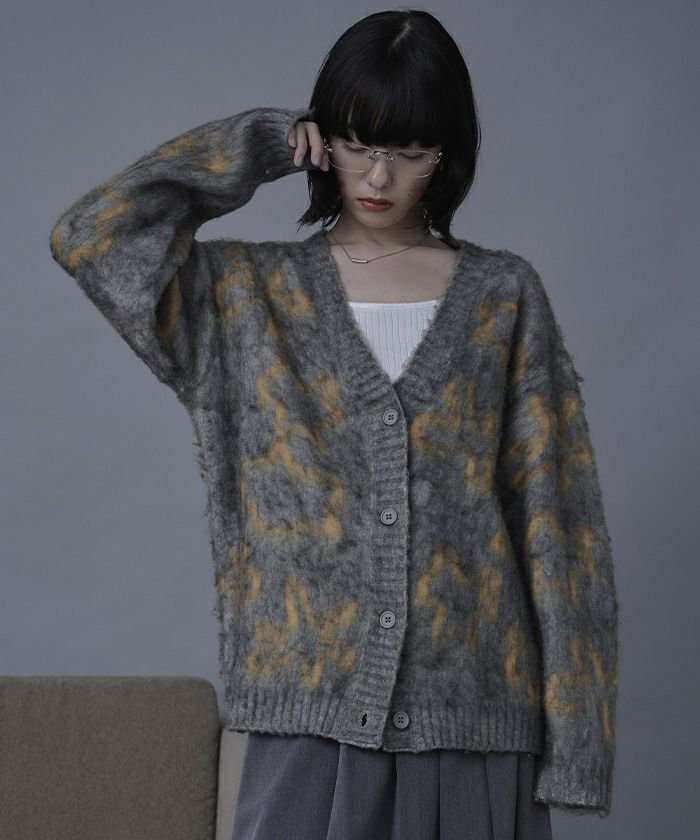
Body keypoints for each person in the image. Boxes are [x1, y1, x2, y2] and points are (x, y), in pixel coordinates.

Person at [49, 8, 619, 840]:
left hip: (475, 733)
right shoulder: (240, 298)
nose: (379, 176)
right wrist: (252, 148)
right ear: (323, 140)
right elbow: (90, 238)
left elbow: (561, 525)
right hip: (302, 730)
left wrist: (578, 747)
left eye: (410, 152)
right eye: (357, 144)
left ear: (446, 155)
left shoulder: (504, 297)